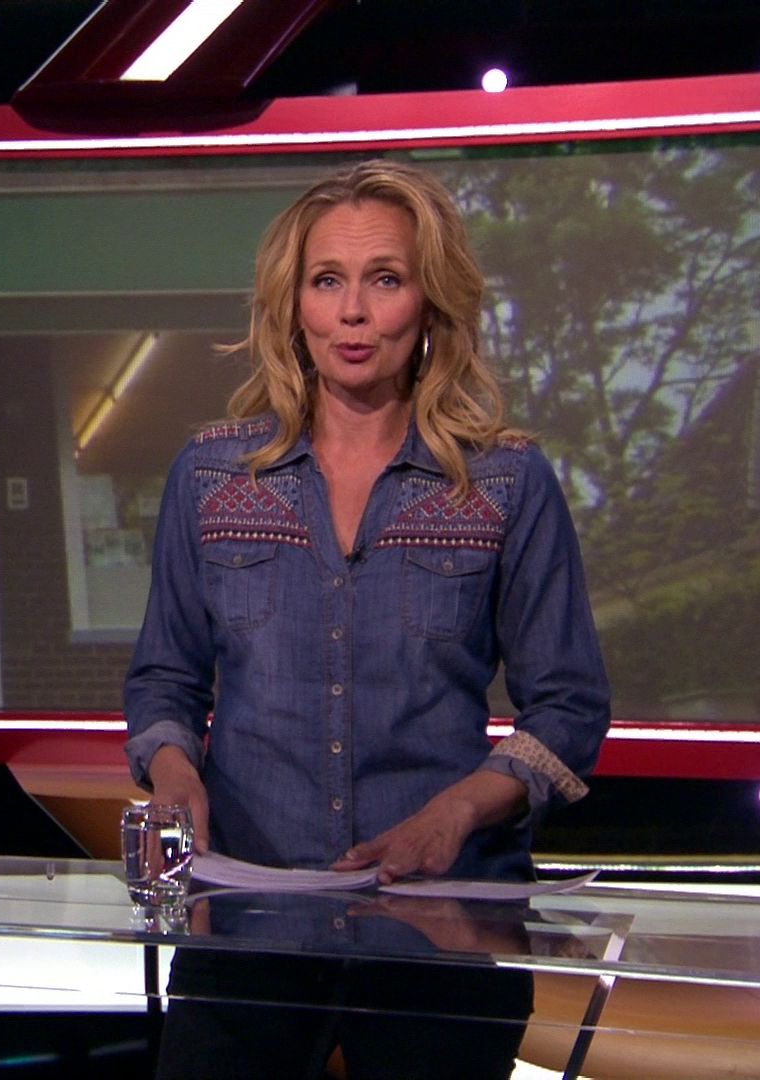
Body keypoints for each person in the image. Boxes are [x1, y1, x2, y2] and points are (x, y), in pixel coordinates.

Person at [122, 160, 610, 1078]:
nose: (352, 313)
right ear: (292, 305)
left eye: (384, 279)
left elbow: (569, 707)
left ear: (429, 303)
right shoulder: (212, 476)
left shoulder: (506, 482)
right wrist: (176, 773)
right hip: (249, 932)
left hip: (442, 931)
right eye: (327, 281)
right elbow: (164, 679)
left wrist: (454, 812)